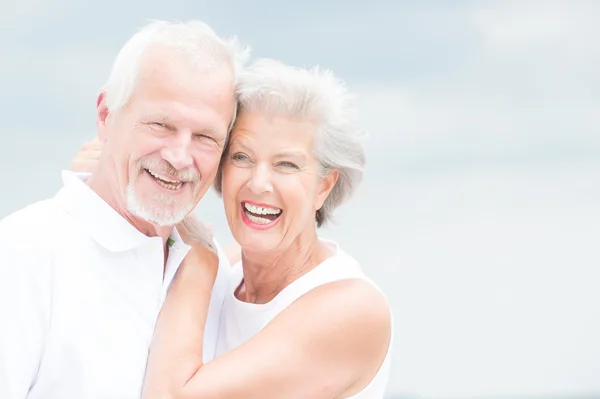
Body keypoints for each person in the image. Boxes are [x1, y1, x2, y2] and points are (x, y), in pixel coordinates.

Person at [0, 20, 246, 398]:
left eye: (205, 137)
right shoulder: (23, 252)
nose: (180, 158)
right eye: (161, 125)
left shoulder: (213, 276)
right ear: (105, 115)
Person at [141, 59, 393, 398]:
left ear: (324, 187)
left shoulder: (351, 309)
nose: (259, 184)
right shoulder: (229, 270)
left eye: (286, 165)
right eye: (242, 157)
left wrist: (198, 260)